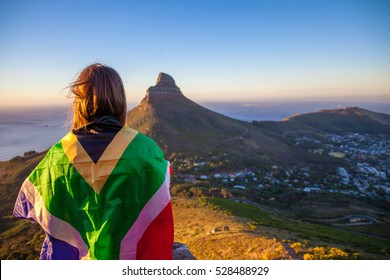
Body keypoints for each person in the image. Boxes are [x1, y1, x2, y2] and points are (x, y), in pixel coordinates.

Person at [13, 63, 174, 260]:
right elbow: (159, 198)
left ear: (79, 102)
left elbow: (34, 201)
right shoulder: (146, 150)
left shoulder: (57, 156)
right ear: (119, 99)